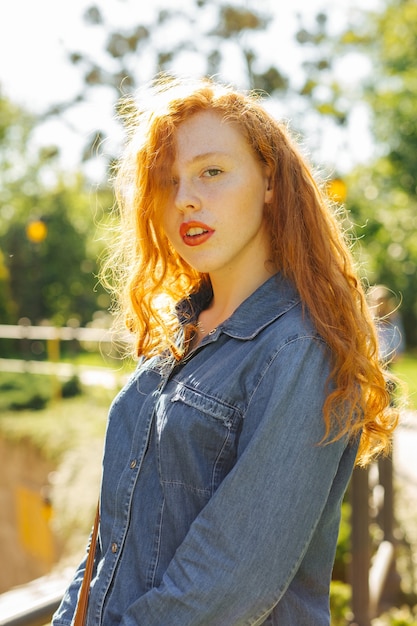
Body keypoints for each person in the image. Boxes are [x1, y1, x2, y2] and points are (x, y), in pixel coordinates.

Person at [52, 75, 398, 626]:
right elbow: (111, 548)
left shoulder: (298, 348)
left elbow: (227, 585)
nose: (186, 197)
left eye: (211, 171)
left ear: (269, 180)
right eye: (168, 182)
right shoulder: (174, 336)